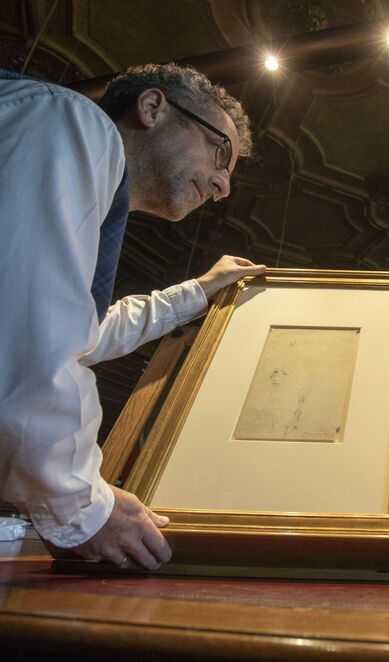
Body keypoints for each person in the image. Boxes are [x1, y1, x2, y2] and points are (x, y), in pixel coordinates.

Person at [0, 63, 267, 571]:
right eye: (220, 153)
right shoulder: (68, 121)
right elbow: (27, 341)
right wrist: (83, 508)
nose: (223, 185)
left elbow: (84, 333)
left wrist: (197, 291)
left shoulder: (82, 174)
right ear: (152, 108)